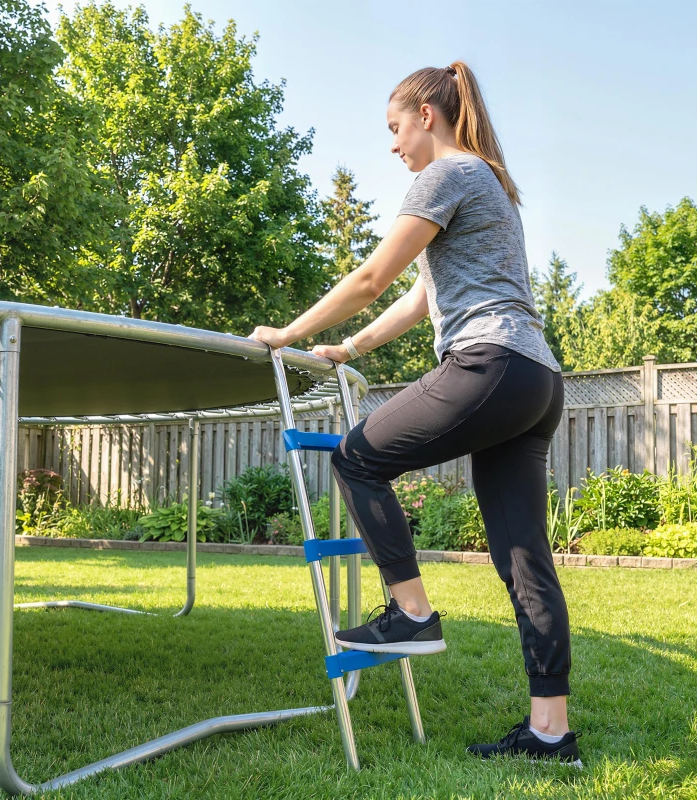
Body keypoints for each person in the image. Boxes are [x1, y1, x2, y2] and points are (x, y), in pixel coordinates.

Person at [249, 62, 581, 766]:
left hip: (490, 362)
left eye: (395, 128)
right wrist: (353, 346)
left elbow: (373, 278)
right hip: (536, 378)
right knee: (522, 553)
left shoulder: (443, 175)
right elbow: (425, 296)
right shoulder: (488, 181)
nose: (393, 145)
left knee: (356, 456)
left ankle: (413, 613)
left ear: (427, 115)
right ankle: (551, 732)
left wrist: (288, 334)